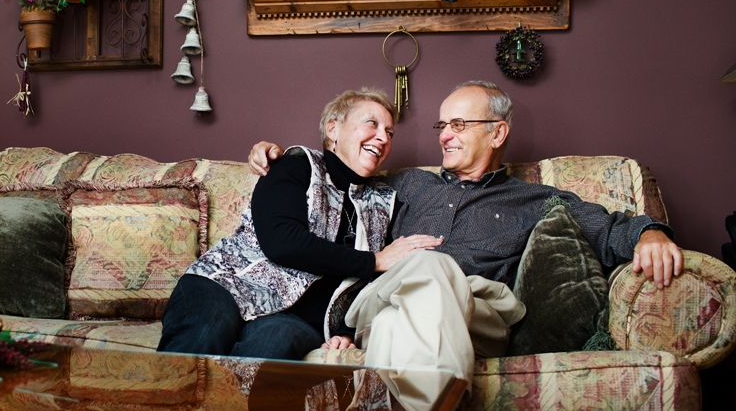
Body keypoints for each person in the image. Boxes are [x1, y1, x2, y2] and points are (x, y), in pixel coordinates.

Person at [248, 81, 682, 410]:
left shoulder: (533, 198)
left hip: (476, 310)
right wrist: (277, 155)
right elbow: (335, 177)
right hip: (387, 298)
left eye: (459, 124)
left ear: (497, 134)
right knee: (420, 281)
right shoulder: (407, 185)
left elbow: (605, 227)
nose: (444, 136)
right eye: (442, 125)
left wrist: (650, 233)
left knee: (416, 298)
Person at [157, 88, 439, 361]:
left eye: (389, 133)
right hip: (225, 283)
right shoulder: (295, 165)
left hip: (299, 320)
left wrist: (347, 331)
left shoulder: (386, 202)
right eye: (372, 123)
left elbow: (378, 285)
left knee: (271, 349)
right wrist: (373, 260)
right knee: (204, 335)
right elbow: (283, 242)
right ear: (333, 130)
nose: (383, 137)